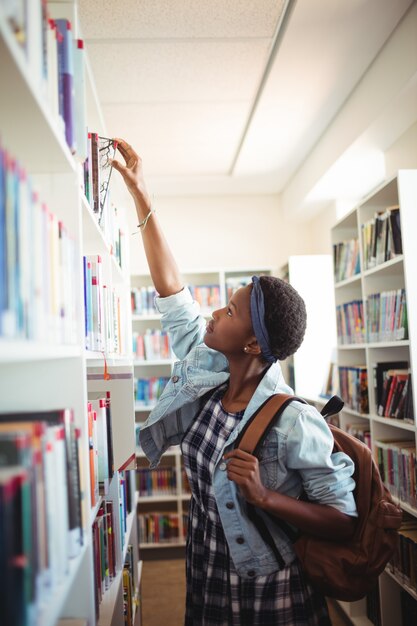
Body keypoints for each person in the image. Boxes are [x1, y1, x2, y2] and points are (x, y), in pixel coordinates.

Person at [112, 139, 358, 626]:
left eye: (229, 311)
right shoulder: (208, 370)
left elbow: (344, 518)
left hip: (270, 589)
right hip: (207, 571)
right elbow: (173, 292)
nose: (215, 313)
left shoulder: (294, 421)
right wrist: (142, 195)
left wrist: (267, 497)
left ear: (251, 346)